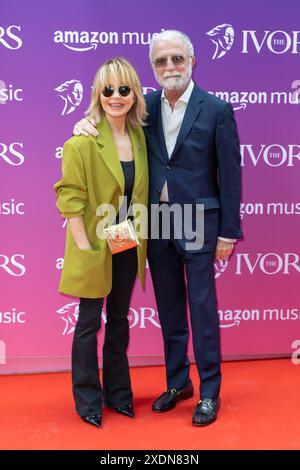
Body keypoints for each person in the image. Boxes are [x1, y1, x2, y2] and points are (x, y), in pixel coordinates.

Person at [73, 30, 243, 427]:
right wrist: (84, 125)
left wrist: (228, 231)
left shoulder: (217, 109)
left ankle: (210, 392)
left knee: (201, 309)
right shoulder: (142, 106)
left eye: (177, 59)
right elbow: (109, 120)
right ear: (152, 68)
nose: (170, 67)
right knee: (169, 309)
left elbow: (231, 176)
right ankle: (177, 382)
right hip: (156, 227)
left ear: (192, 61)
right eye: (162, 61)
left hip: (200, 224)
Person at [54, 57, 148, 428]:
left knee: (120, 319)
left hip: (125, 236)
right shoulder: (82, 141)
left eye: (123, 89)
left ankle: (120, 395)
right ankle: (88, 399)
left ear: (133, 93)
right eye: (107, 90)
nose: (115, 96)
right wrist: (86, 248)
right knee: (89, 320)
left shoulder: (140, 136)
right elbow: (70, 198)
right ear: (98, 93)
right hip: (94, 240)